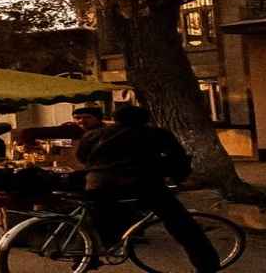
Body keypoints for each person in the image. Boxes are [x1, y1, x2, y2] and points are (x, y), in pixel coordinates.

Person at [77, 105, 218, 273]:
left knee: (92, 219)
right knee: (180, 222)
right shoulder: (157, 134)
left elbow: (83, 157)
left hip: (99, 184)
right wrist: (177, 177)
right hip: (143, 184)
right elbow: (178, 159)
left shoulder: (93, 135)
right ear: (145, 119)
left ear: (116, 118)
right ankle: (206, 265)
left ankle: (87, 257)